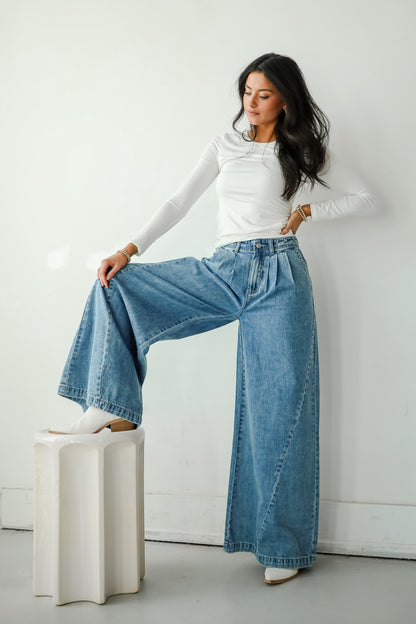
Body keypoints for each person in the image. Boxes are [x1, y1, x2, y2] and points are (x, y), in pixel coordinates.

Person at [49, 53, 376, 585]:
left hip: (281, 276)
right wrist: (129, 248)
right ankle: (110, 403)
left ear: (285, 100)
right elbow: (178, 202)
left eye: (263, 94)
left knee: (280, 409)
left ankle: (282, 547)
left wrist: (309, 211)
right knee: (118, 284)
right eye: (247, 91)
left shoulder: (304, 148)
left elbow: (367, 198)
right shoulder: (224, 144)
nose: (252, 102)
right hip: (225, 267)